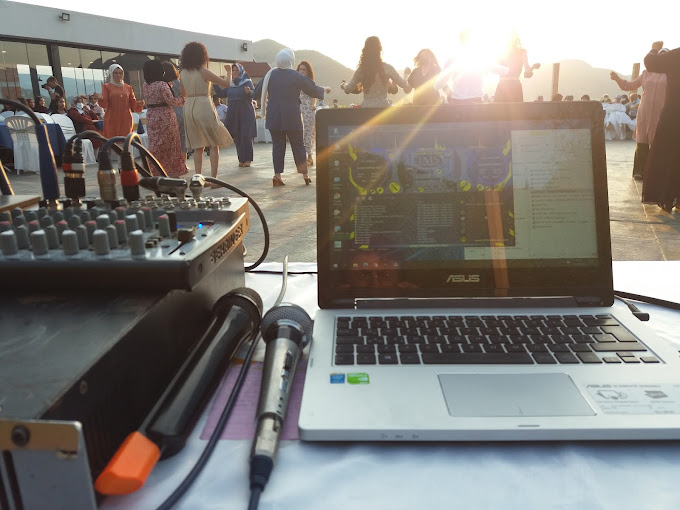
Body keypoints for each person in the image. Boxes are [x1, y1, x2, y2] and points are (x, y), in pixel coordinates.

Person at [253, 48, 330, 186]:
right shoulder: (295, 75)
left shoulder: (270, 74)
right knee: (298, 145)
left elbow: (257, 92)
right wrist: (324, 90)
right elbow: (311, 89)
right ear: (290, 60)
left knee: (278, 146)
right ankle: (305, 175)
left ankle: (277, 175)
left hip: (274, 116)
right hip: (292, 116)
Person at [179, 41, 233, 182]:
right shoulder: (203, 71)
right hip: (203, 104)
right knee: (214, 144)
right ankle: (214, 179)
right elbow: (226, 84)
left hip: (189, 106)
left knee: (198, 146)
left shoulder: (182, 73)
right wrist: (229, 72)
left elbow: (183, 93)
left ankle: (198, 178)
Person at [611, 49, 667, 180]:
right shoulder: (646, 74)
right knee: (642, 141)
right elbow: (629, 86)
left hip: (662, 113)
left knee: (659, 142)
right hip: (644, 113)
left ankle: (658, 173)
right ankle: (639, 171)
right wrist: (617, 79)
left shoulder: (672, 75)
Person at [641, 43, 680, 211]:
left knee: (667, 156)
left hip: (674, 115)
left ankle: (665, 197)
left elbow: (650, 62)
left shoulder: (676, 56)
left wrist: (654, 48)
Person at [142, 60, 188, 178]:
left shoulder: (145, 85)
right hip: (165, 116)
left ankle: (154, 170)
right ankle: (172, 172)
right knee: (170, 145)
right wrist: (184, 99)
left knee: (155, 144)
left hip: (151, 115)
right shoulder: (162, 84)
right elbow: (172, 101)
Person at [436, 30, 507, 103]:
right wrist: (508, 71)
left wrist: (449, 92)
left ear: (460, 41)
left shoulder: (453, 60)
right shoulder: (479, 59)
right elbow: (500, 70)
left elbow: (438, 84)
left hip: (458, 102)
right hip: (475, 102)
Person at [341, 36, 411, 107]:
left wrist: (343, 84)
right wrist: (406, 73)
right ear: (380, 49)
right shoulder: (387, 68)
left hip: (366, 107)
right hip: (383, 106)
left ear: (365, 50)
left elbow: (348, 89)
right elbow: (403, 84)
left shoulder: (361, 70)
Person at [214, 63, 257, 167]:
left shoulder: (246, 81)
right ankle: (241, 159)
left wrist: (248, 92)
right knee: (237, 136)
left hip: (245, 112)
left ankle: (248, 159)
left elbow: (253, 93)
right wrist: (215, 83)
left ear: (241, 71)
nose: (234, 72)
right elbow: (221, 94)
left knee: (246, 135)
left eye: (237, 70)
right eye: (233, 70)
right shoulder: (231, 84)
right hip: (234, 112)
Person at [99, 64, 143, 139]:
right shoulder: (106, 87)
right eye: (116, 73)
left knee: (126, 141)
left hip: (126, 119)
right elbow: (104, 104)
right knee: (113, 141)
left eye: (120, 73)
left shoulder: (128, 88)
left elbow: (133, 103)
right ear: (111, 74)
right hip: (112, 119)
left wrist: (139, 104)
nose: (118, 75)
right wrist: (100, 99)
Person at [494, 34, 540, 102]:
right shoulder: (522, 52)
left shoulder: (501, 52)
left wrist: (533, 67)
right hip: (513, 85)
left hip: (503, 85)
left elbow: (497, 69)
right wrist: (533, 67)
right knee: (516, 107)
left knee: (500, 107)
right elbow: (527, 70)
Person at [162, 61, 188, 158]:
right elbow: (185, 95)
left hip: (168, 112)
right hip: (181, 112)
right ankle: (183, 162)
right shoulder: (178, 82)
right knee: (182, 140)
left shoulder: (163, 84)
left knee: (170, 141)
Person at [297, 60, 319, 166]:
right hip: (298, 110)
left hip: (308, 110)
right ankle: (302, 157)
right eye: (300, 69)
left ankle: (309, 156)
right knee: (299, 134)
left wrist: (313, 105)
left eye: (304, 70)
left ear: (308, 72)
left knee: (309, 133)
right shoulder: (295, 82)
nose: (301, 71)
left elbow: (314, 96)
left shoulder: (310, 83)